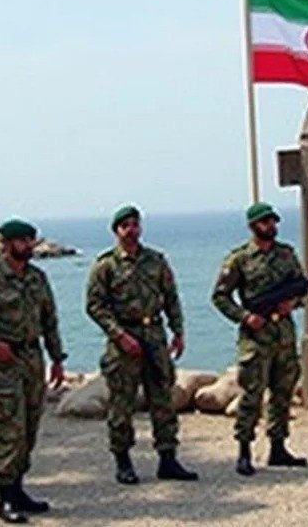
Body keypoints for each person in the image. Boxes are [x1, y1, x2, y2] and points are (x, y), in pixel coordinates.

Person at [0, 219, 68, 523]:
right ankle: (5, 497)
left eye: (31, 240)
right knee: (11, 429)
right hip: (4, 364)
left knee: (29, 428)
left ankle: (18, 489)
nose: (29, 246)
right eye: (22, 241)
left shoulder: (37, 278)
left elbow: (49, 321)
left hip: (32, 359)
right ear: (6, 245)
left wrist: (57, 358)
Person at [85, 205, 199, 485]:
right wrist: (119, 335)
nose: (131, 230)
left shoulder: (156, 261)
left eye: (135, 224)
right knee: (121, 404)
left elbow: (171, 297)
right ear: (116, 231)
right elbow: (95, 306)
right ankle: (123, 461)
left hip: (154, 338)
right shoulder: (106, 266)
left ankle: (168, 459)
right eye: (125, 226)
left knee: (163, 399)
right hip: (124, 340)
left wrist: (178, 332)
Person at [212, 202, 308, 476]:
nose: (271, 226)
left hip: (284, 334)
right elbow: (220, 296)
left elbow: (301, 286)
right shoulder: (240, 259)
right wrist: (245, 317)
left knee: (282, 393)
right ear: (253, 226)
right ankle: (244, 451)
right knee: (252, 395)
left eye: (273, 221)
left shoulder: (286, 254)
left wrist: (293, 303)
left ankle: (278, 447)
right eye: (265, 222)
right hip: (256, 337)